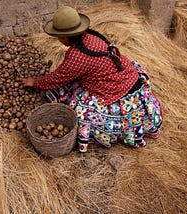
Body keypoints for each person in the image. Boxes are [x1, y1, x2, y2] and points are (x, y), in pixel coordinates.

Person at [22, 6, 163, 152]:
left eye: (58, 36)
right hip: (129, 78)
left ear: (65, 37)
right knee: (73, 87)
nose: (58, 39)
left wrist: (36, 82)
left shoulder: (77, 56)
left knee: (80, 112)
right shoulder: (91, 36)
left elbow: (58, 79)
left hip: (122, 93)